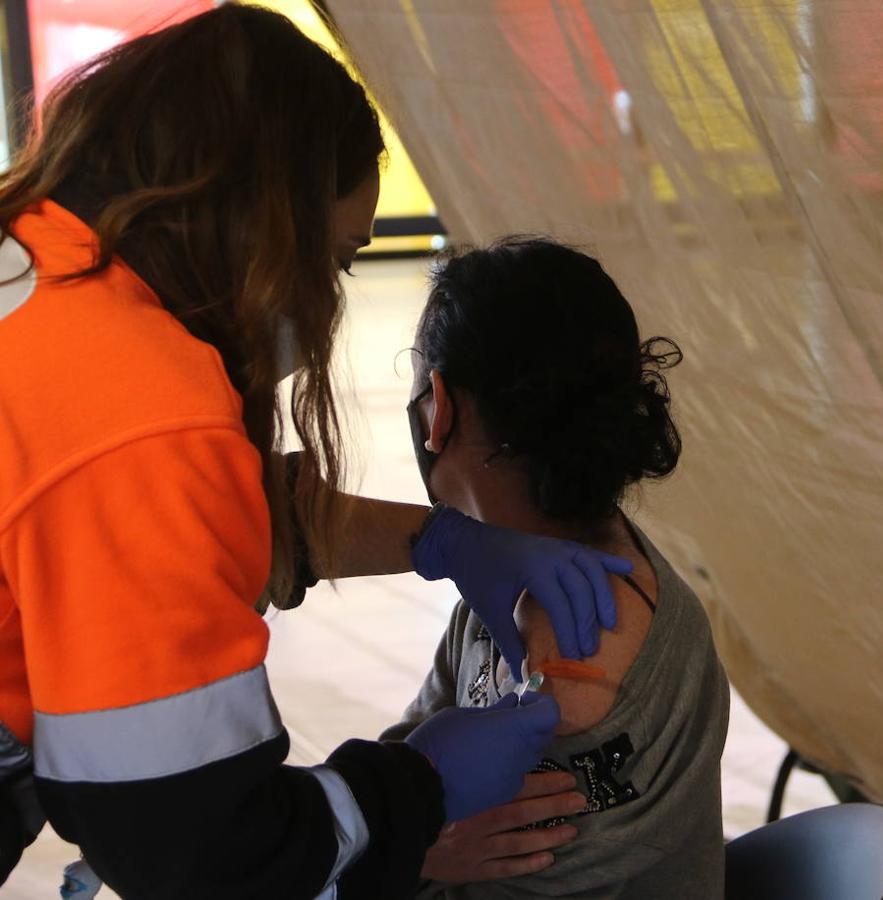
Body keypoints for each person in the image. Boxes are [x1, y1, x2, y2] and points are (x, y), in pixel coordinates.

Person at [0, 8, 632, 897]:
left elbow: (151, 540)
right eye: (336, 259)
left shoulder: (32, 268)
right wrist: (416, 788)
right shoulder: (139, 411)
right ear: (262, 225)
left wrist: (437, 541)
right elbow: (199, 850)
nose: (326, 297)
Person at [385, 238, 730, 899]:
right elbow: (400, 753)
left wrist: (401, 847)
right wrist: (406, 837)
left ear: (440, 407)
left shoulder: (586, 648)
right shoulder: (495, 580)